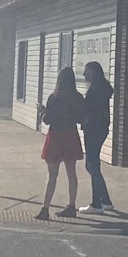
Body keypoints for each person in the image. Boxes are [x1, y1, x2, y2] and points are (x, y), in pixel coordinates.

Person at [35, 66, 85, 220]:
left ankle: (45, 208)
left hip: (55, 136)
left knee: (52, 175)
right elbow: (80, 118)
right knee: (72, 173)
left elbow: (48, 120)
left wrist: (43, 111)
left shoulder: (54, 97)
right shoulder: (77, 97)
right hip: (70, 135)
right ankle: (71, 206)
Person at [79, 61, 114, 213]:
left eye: (86, 71)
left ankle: (96, 204)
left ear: (93, 72)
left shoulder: (95, 91)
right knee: (92, 165)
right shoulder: (103, 89)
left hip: (93, 130)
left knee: (92, 165)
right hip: (101, 129)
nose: (84, 75)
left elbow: (88, 110)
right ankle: (105, 201)